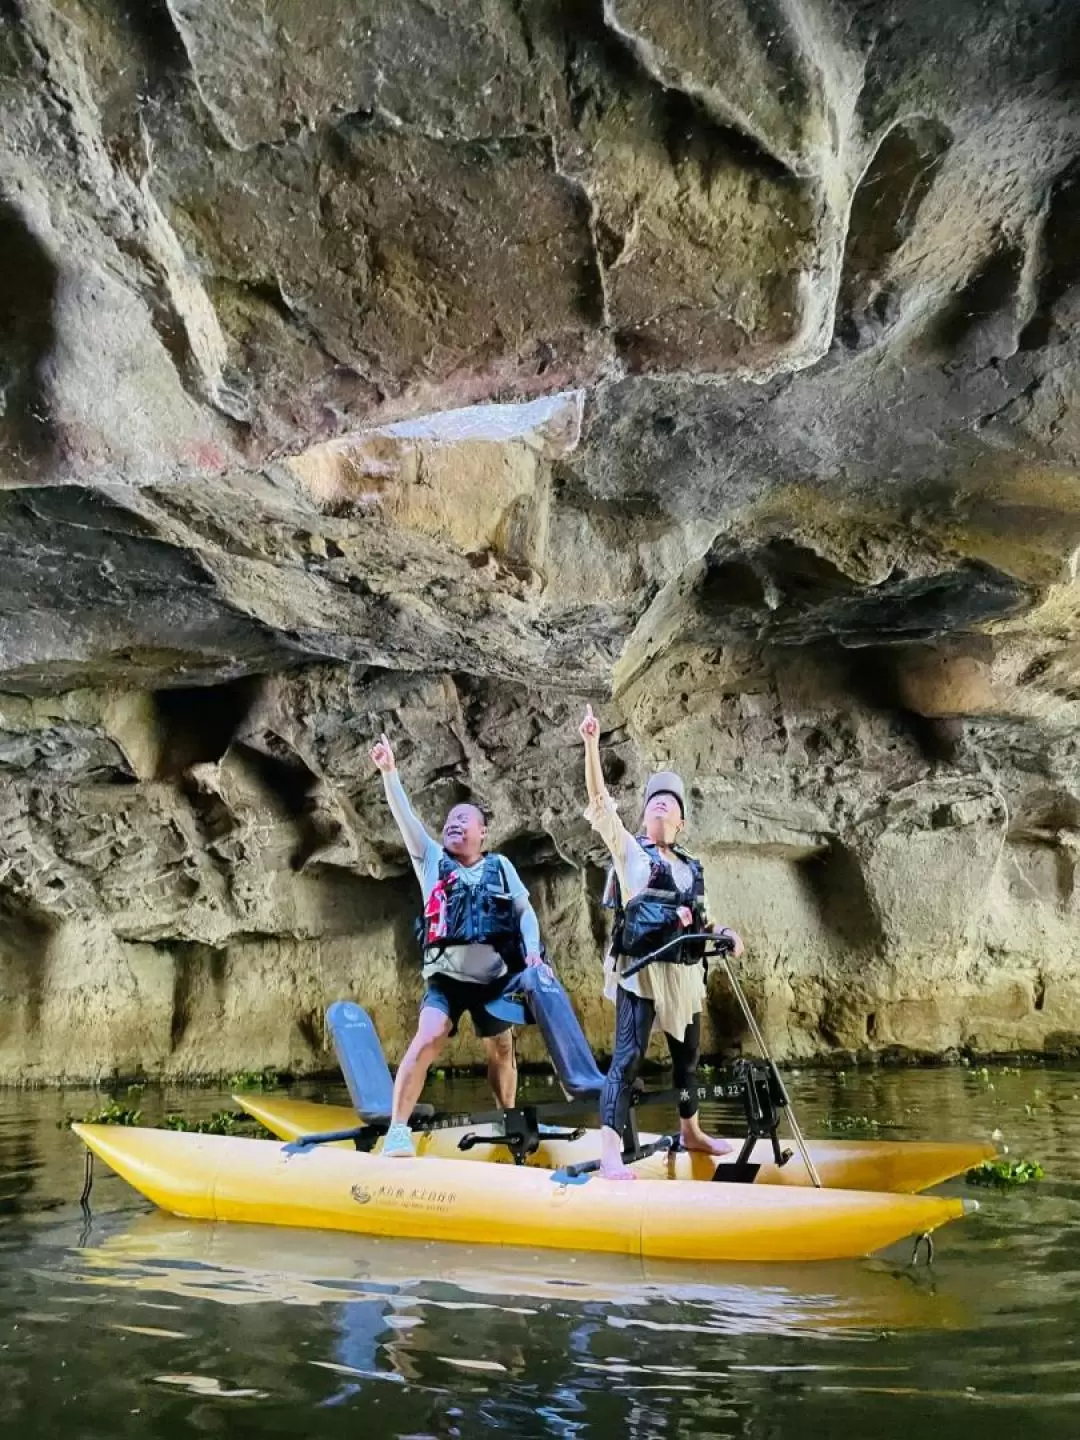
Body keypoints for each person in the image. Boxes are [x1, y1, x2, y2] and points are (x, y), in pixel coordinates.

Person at [579, 704, 744, 1180]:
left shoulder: (692, 867)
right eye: (653, 800)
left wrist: (727, 935)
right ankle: (610, 1149)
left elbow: (706, 922)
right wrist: (592, 743)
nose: (660, 804)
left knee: (687, 1059)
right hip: (641, 971)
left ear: (681, 820)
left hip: (684, 973)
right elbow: (599, 800)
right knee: (627, 1058)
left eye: (669, 802)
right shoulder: (629, 851)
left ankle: (690, 1130)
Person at [369, 732, 547, 1156]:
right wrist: (390, 773)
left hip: (494, 979)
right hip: (446, 979)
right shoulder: (430, 858)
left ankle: (508, 1115)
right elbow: (405, 817)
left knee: (502, 1047)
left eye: (464, 819)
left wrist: (534, 953)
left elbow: (524, 914)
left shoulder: (501, 867)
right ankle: (398, 1130)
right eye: (450, 819)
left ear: (483, 832)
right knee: (430, 1035)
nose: (454, 823)